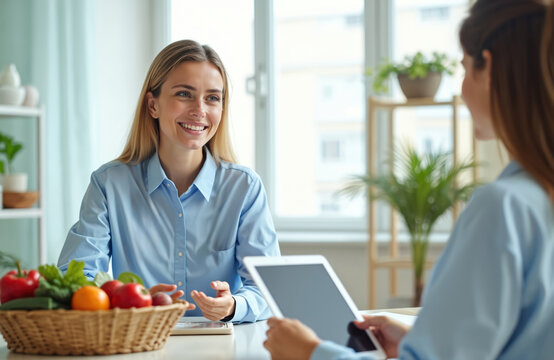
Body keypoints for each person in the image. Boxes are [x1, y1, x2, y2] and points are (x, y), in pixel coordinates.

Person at [264, 0, 554, 358]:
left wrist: (311, 352)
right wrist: (418, 341)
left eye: (464, 68)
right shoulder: (537, 199)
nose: (462, 89)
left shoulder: (504, 207)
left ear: (489, 67)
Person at [57, 40, 280, 323]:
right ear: (153, 105)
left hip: (223, 345)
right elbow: (75, 277)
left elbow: (268, 289)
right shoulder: (108, 185)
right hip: (138, 342)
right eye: (185, 94)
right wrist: (130, 301)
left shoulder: (245, 188)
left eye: (213, 98)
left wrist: (234, 305)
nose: (200, 109)